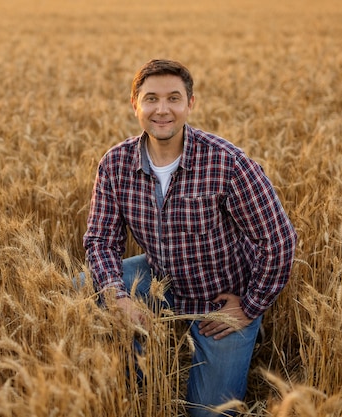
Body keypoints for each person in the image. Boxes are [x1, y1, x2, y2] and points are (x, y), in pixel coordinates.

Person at [83, 59, 297, 416]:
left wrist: (249, 306)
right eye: (151, 99)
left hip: (220, 299)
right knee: (86, 285)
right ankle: (137, 380)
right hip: (161, 278)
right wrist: (119, 298)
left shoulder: (227, 162)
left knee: (209, 413)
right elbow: (100, 241)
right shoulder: (114, 164)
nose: (162, 109)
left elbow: (279, 240)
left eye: (173, 98)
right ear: (135, 104)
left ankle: (237, 340)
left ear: (190, 104)